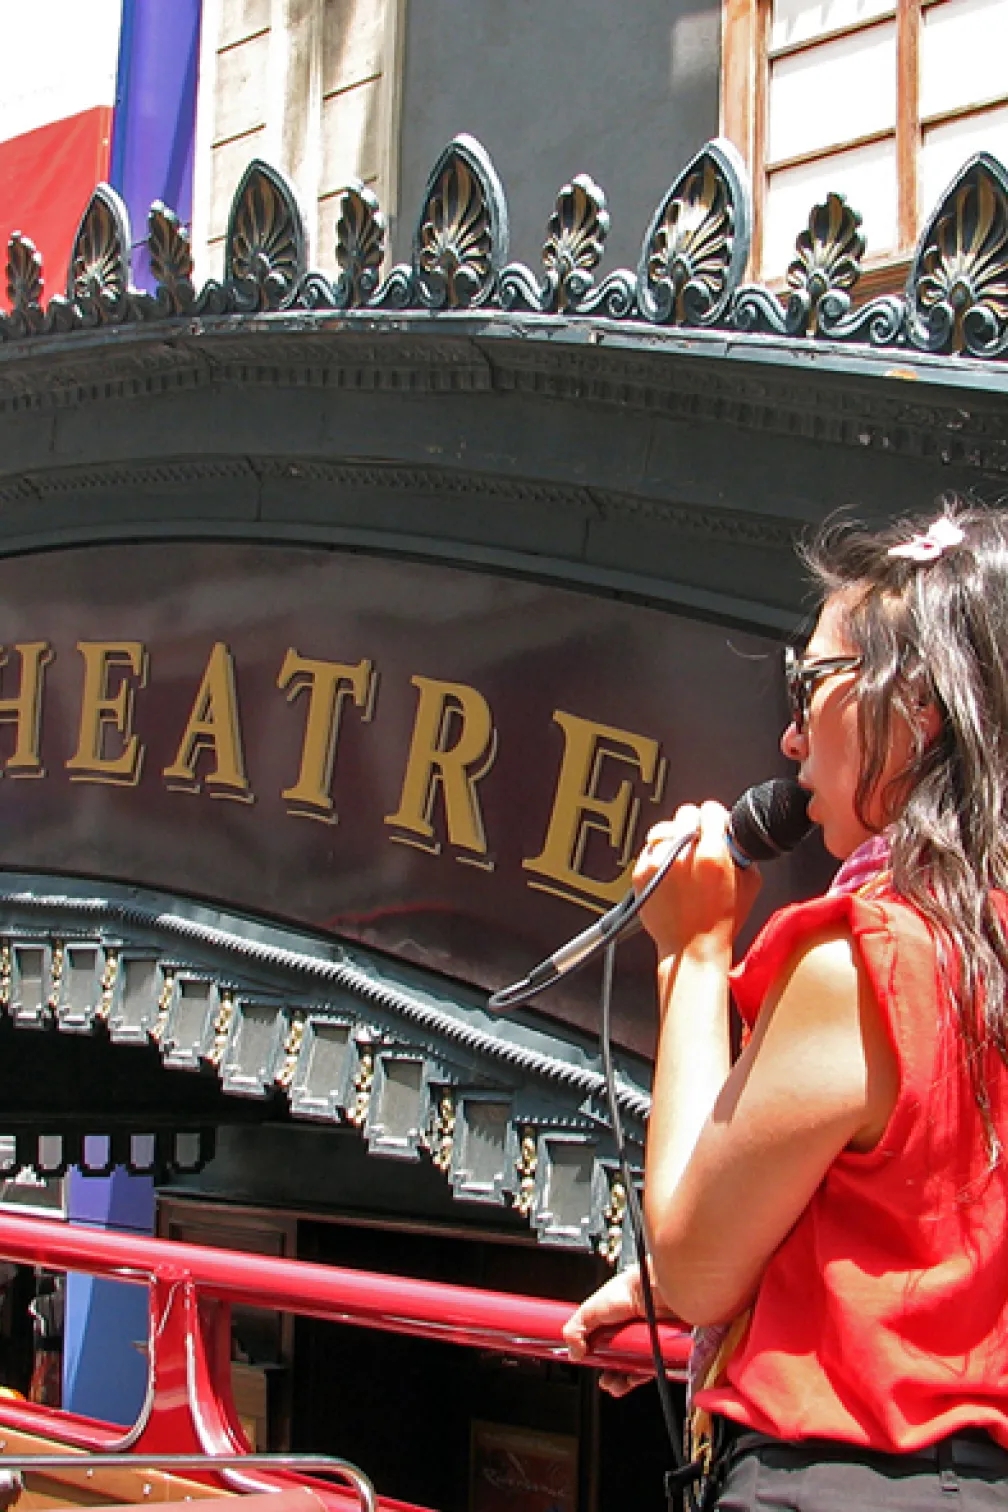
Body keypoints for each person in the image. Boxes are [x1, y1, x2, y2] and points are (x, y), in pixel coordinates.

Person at [563, 503, 1008, 1510]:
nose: (792, 734)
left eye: (812, 683)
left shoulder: (865, 959)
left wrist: (692, 954)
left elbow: (691, 1265)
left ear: (920, 706)